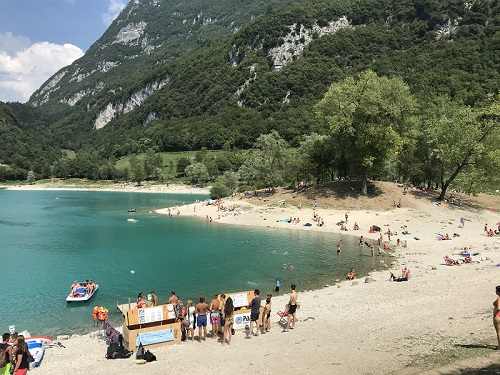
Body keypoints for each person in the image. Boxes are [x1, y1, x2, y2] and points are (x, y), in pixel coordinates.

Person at [494, 285, 500, 350]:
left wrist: (496, 314)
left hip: (498, 316)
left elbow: (498, 308)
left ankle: (499, 346)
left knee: (498, 332)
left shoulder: (498, 298)